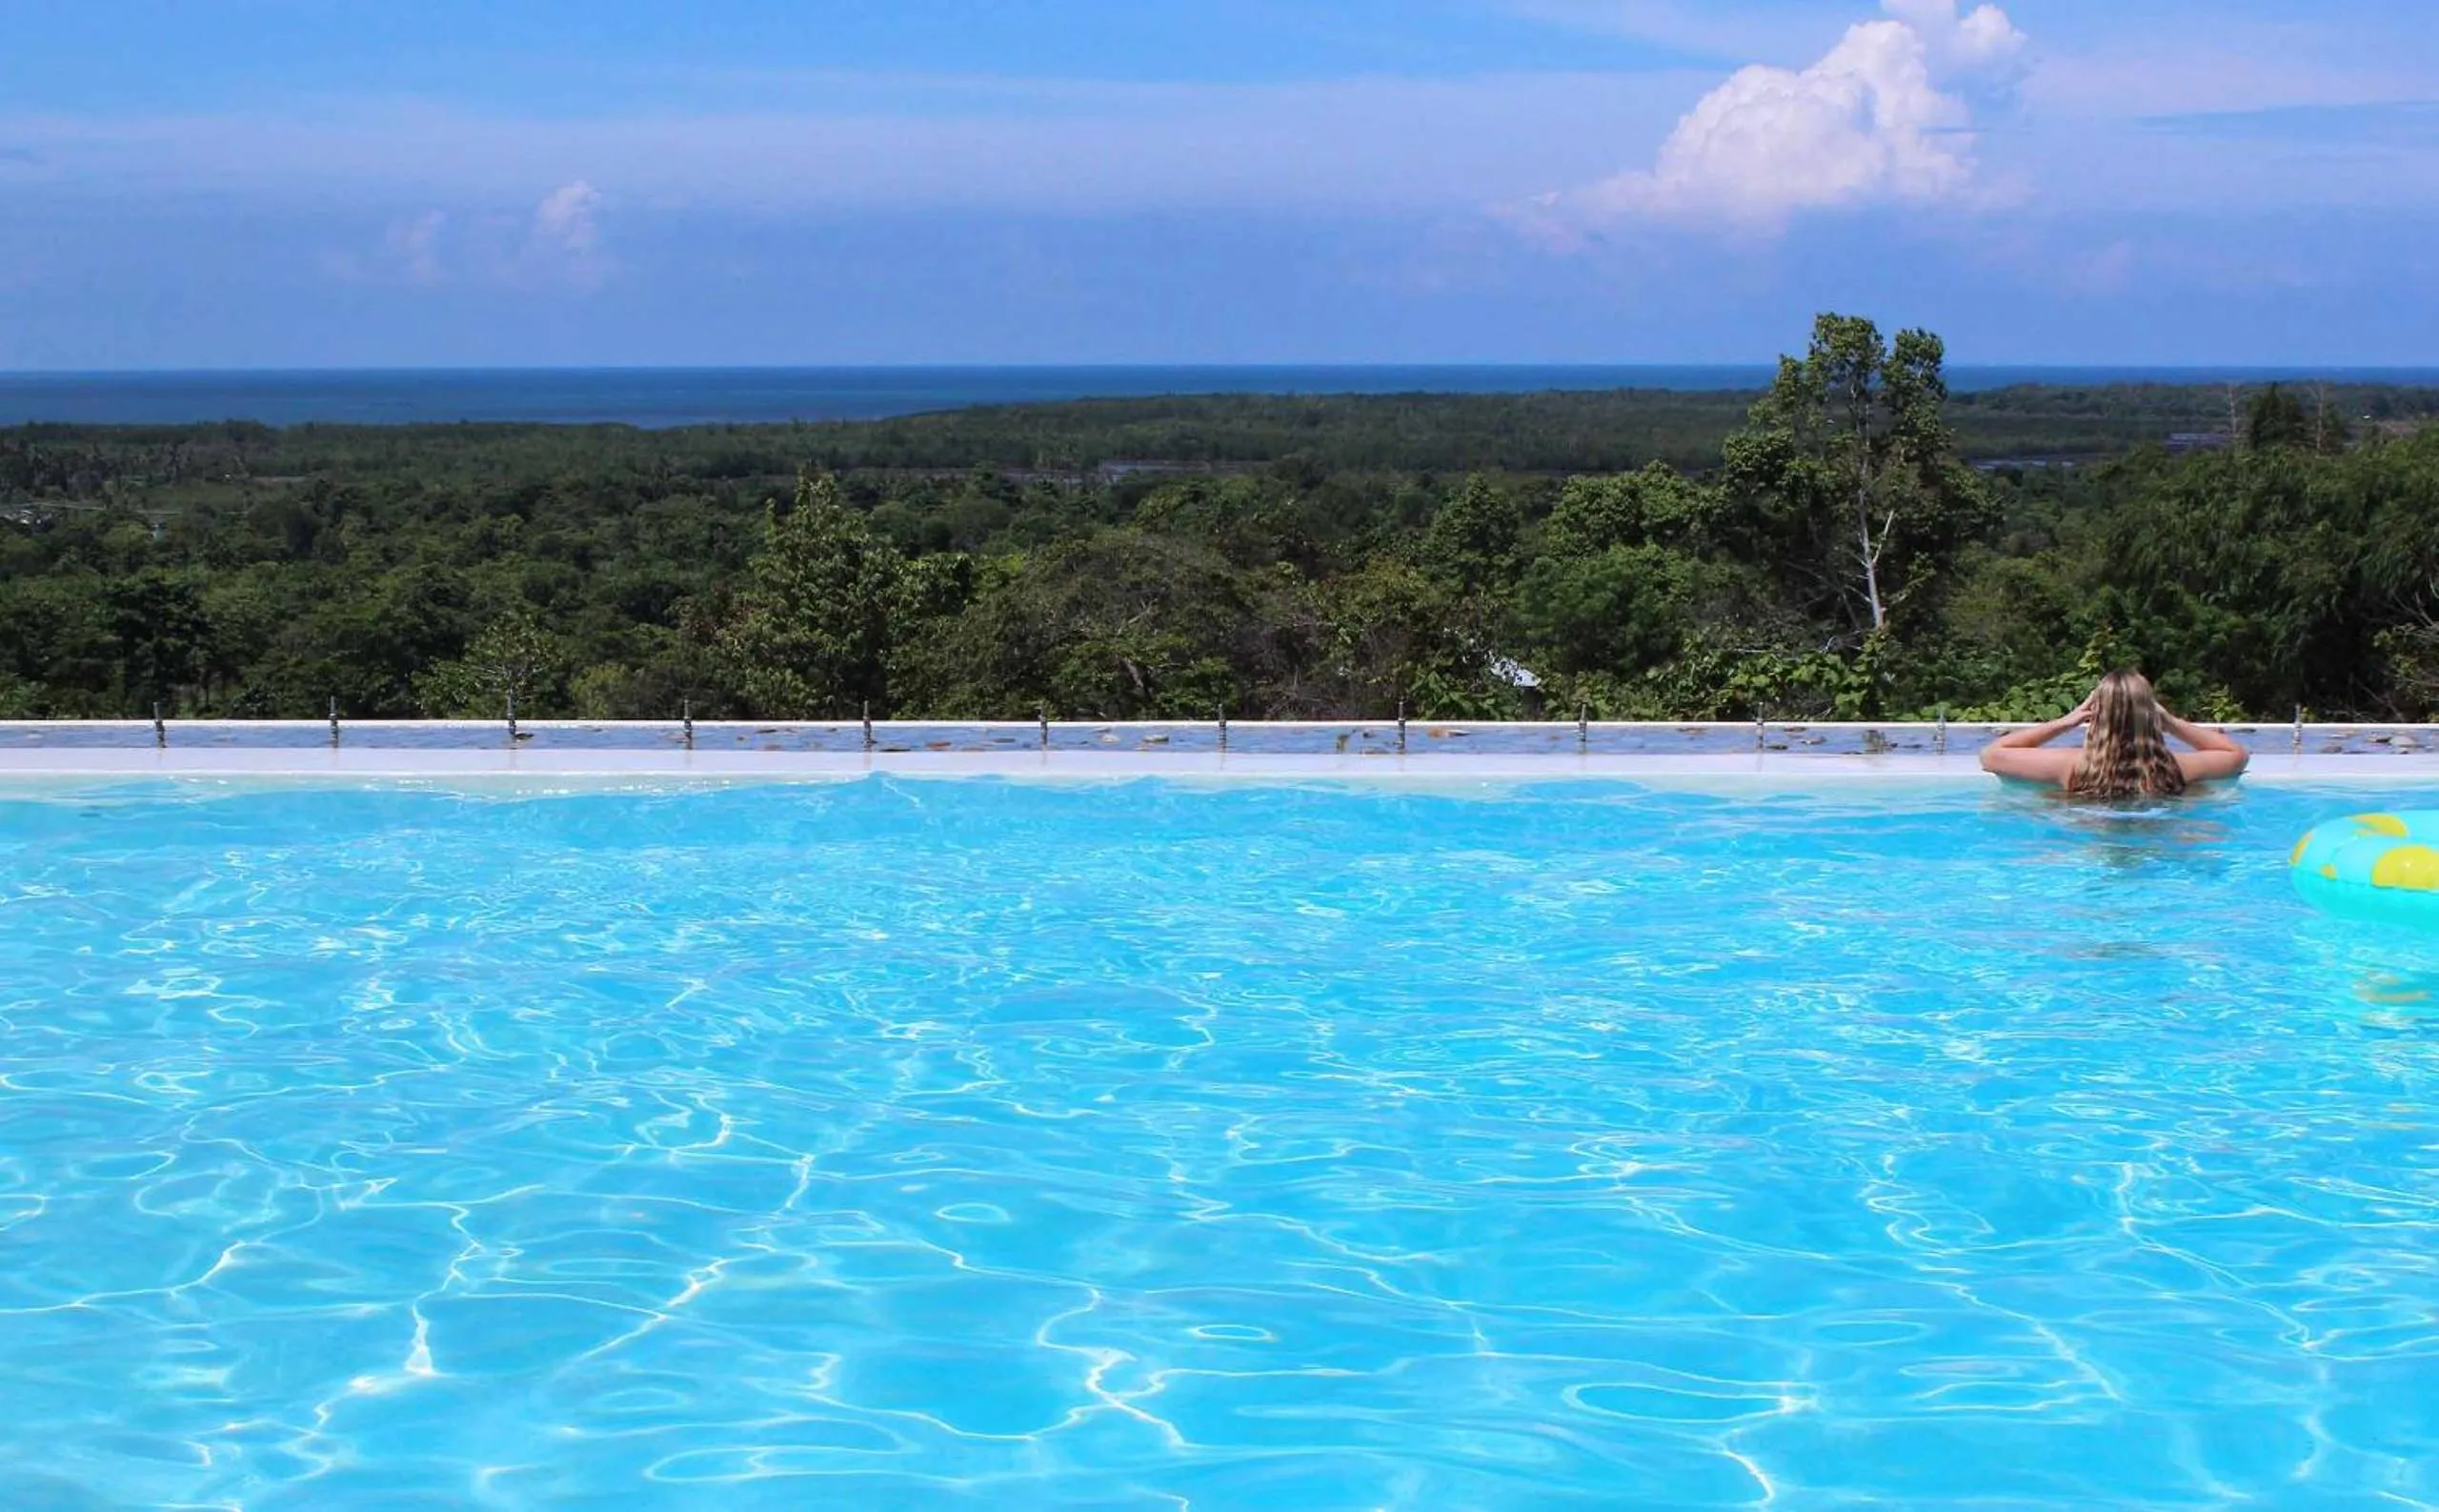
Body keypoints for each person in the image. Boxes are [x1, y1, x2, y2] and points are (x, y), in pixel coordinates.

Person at [1978, 670, 2249, 796]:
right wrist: (2170, 721)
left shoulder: (2072, 767)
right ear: (2150, 714)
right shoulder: (2177, 768)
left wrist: (2066, 721)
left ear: (2097, 714)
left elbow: (1992, 755)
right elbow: (2236, 754)